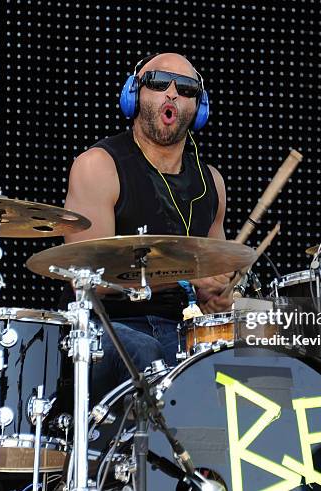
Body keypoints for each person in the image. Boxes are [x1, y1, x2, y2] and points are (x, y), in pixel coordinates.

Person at [63, 52, 233, 403]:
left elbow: (213, 281)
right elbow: (88, 274)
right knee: (147, 352)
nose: (171, 92)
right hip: (106, 327)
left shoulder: (211, 182)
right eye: (158, 83)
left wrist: (216, 297)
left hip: (180, 329)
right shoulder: (99, 165)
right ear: (134, 94)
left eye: (185, 88)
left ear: (199, 108)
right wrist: (188, 276)